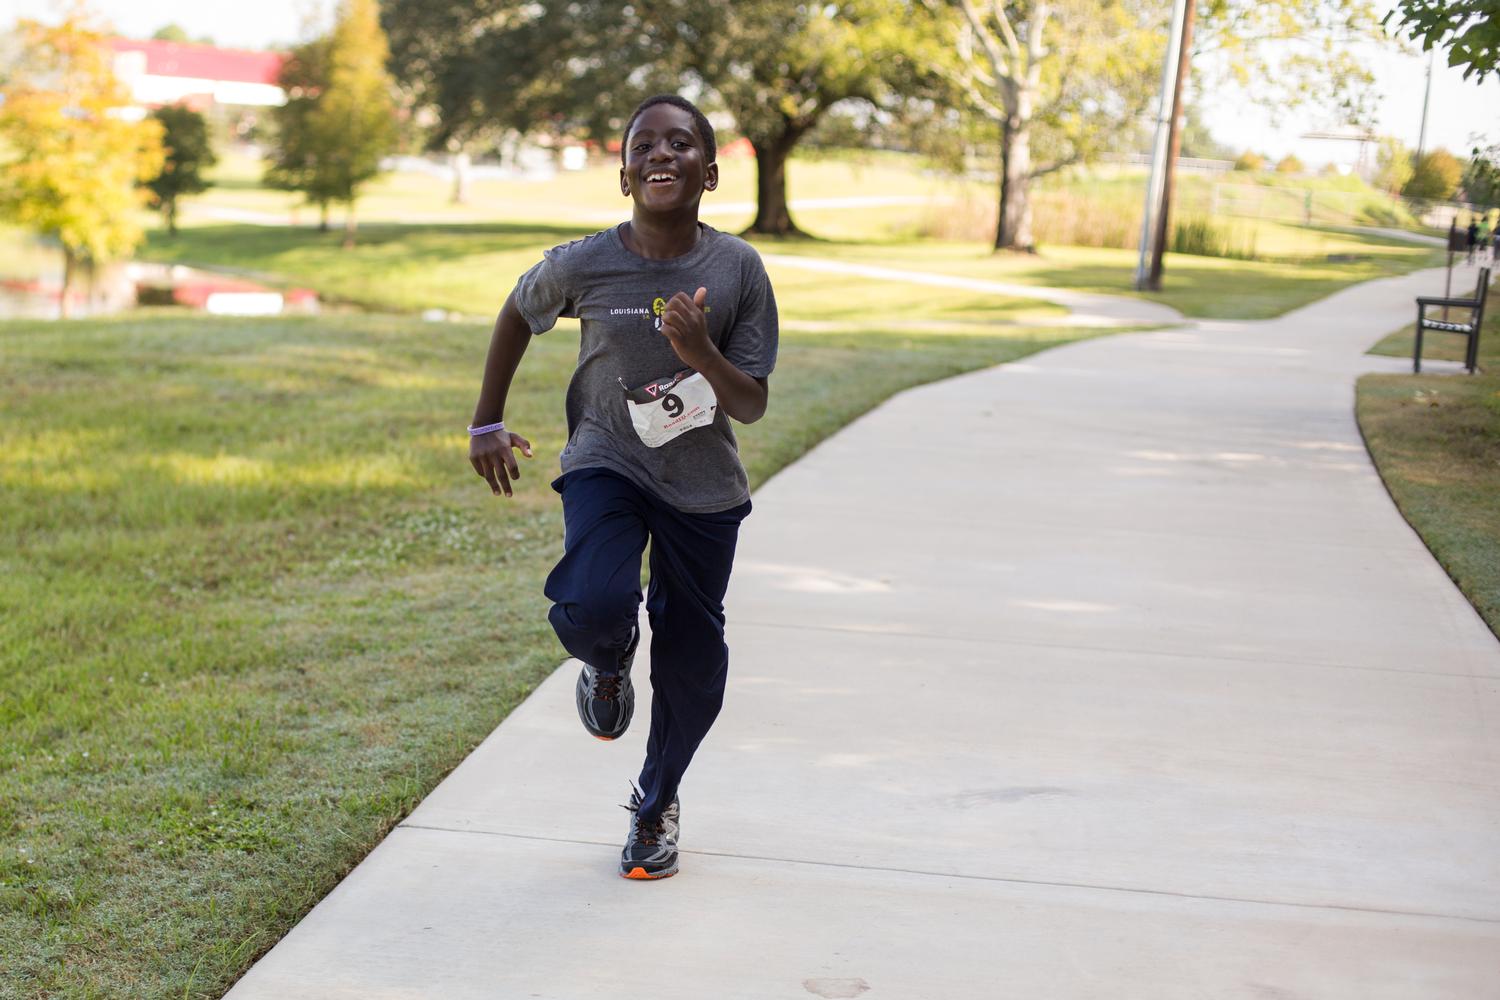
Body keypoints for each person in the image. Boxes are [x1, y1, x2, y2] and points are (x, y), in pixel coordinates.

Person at [466, 94, 778, 880]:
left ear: (709, 173)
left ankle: (656, 800)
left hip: (702, 484)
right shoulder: (584, 263)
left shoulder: (737, 268)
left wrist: (700, 348)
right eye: (645, 145)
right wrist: (485, 422)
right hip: (606, 458)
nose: (661, 155)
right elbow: (517, 310)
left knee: (693, 654)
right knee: (597, 606)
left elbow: (751, 402)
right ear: (625, 173)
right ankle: (606, 660)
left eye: (680, 145)